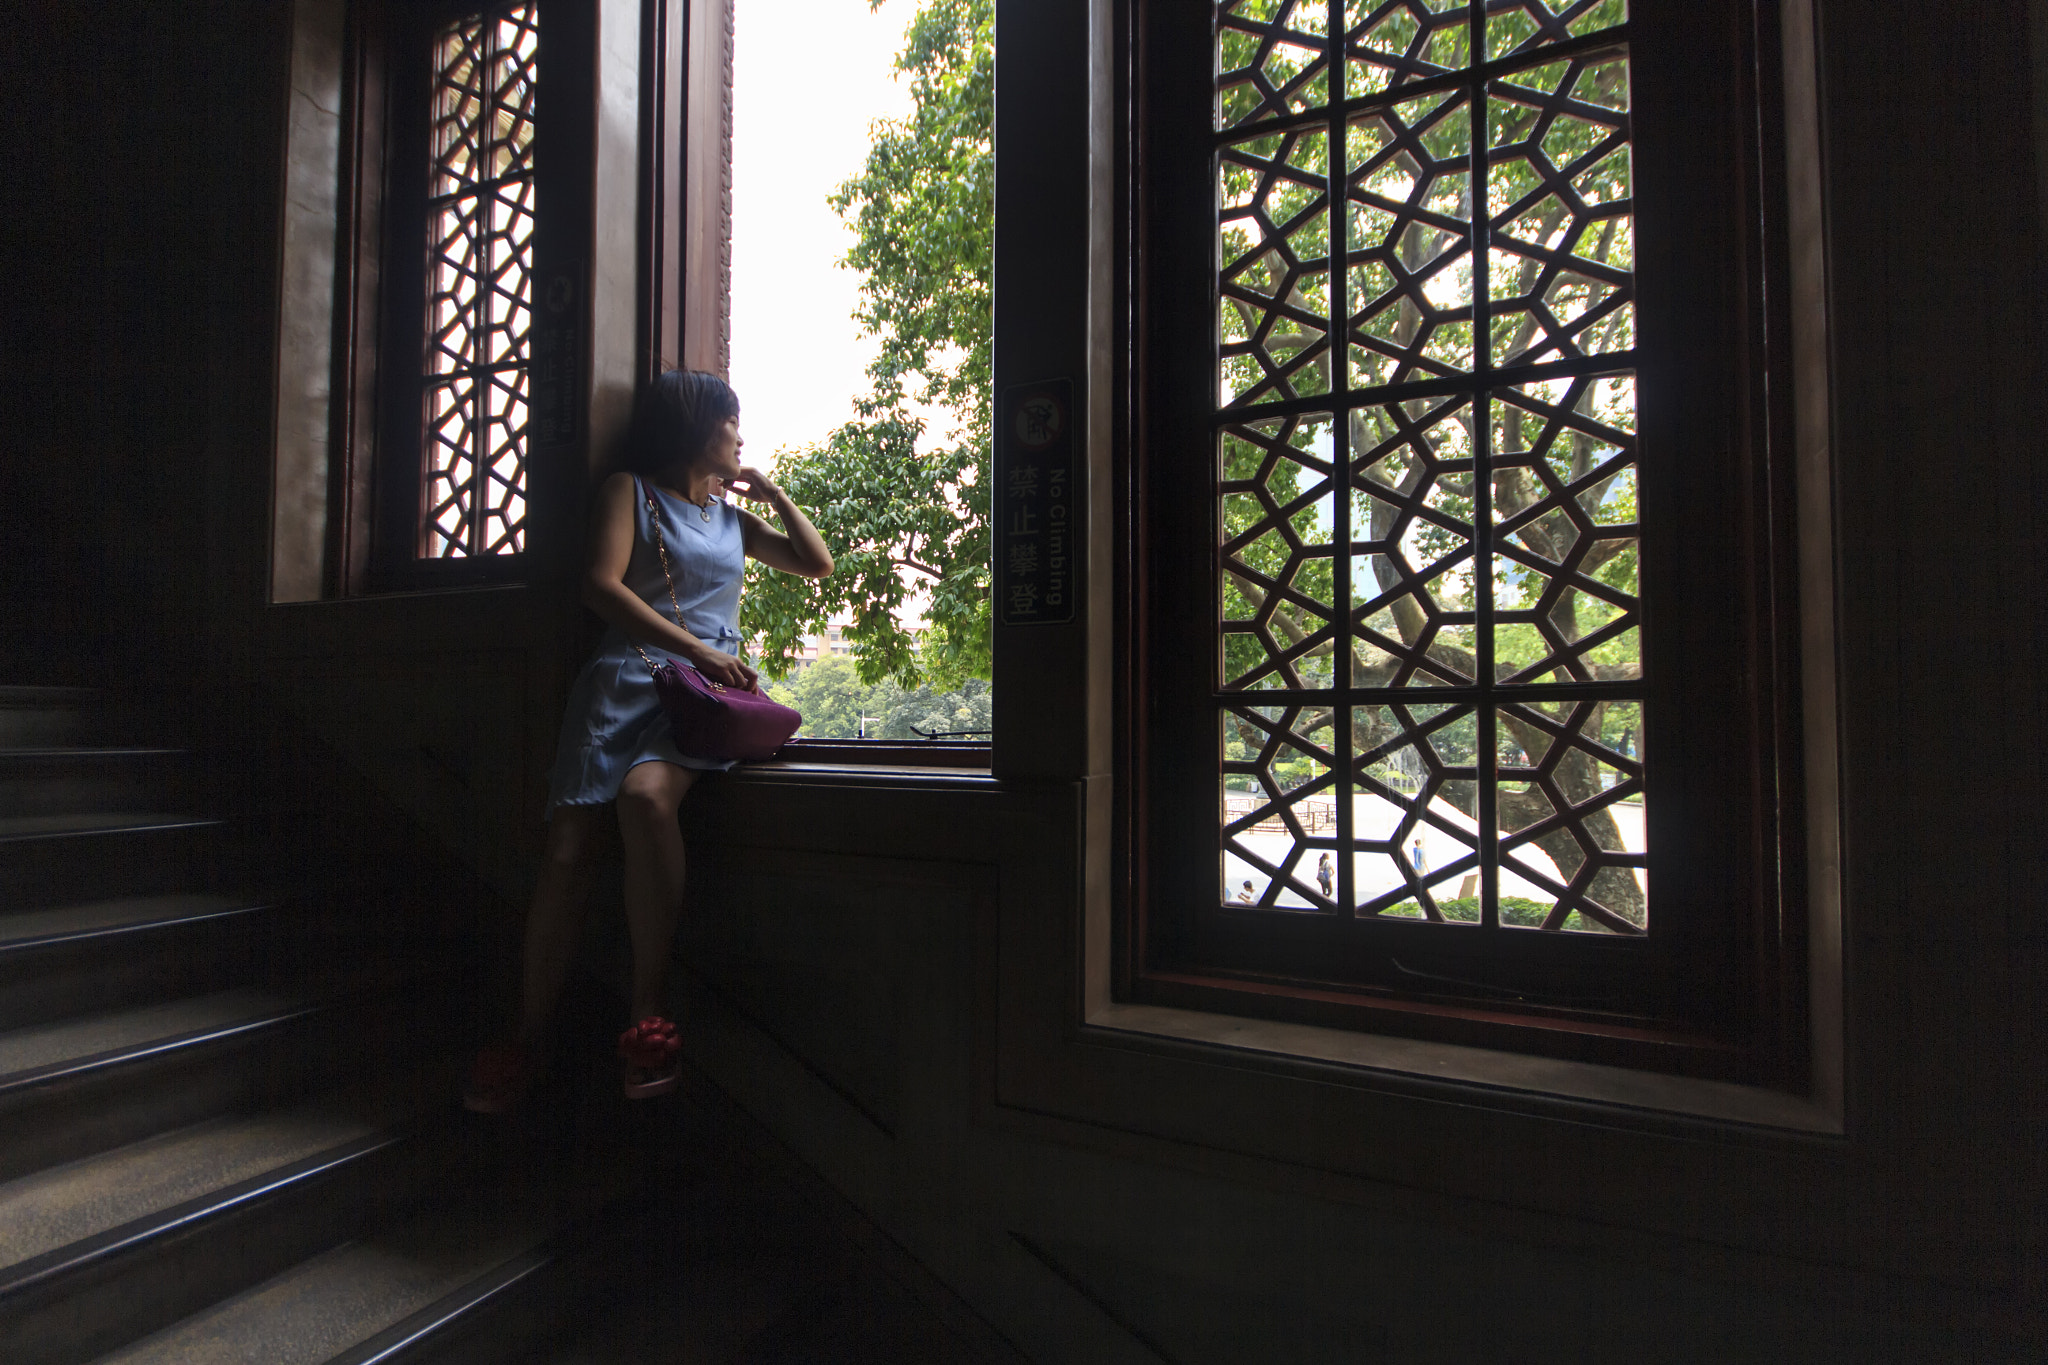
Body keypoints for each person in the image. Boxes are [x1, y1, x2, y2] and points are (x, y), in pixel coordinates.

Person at [465, 370, 833, 1112]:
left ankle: (648, 1005)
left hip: (695, 702)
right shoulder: (627, 491)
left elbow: (815, 562)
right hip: (622, 685)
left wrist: (771, 489)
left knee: (646, 799)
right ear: (698, 428)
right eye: (733, 426)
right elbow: (601, 587)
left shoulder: (732, 521)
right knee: (567, 854)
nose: (739, 439)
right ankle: (530, 1034)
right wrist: (697, 648)